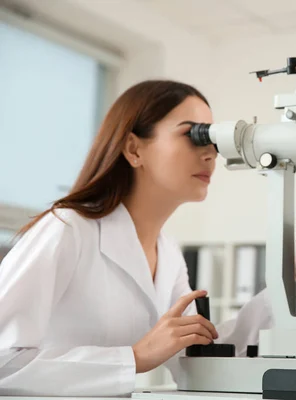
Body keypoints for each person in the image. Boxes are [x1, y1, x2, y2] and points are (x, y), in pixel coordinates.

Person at [0, 80, 229, 396]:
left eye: (212, 140)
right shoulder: (68, 228)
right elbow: (3, 361)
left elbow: (192, 362)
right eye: (193, 135)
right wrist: (133, 358)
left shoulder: (168, 253)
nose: (209, 154)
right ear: (134, 149)